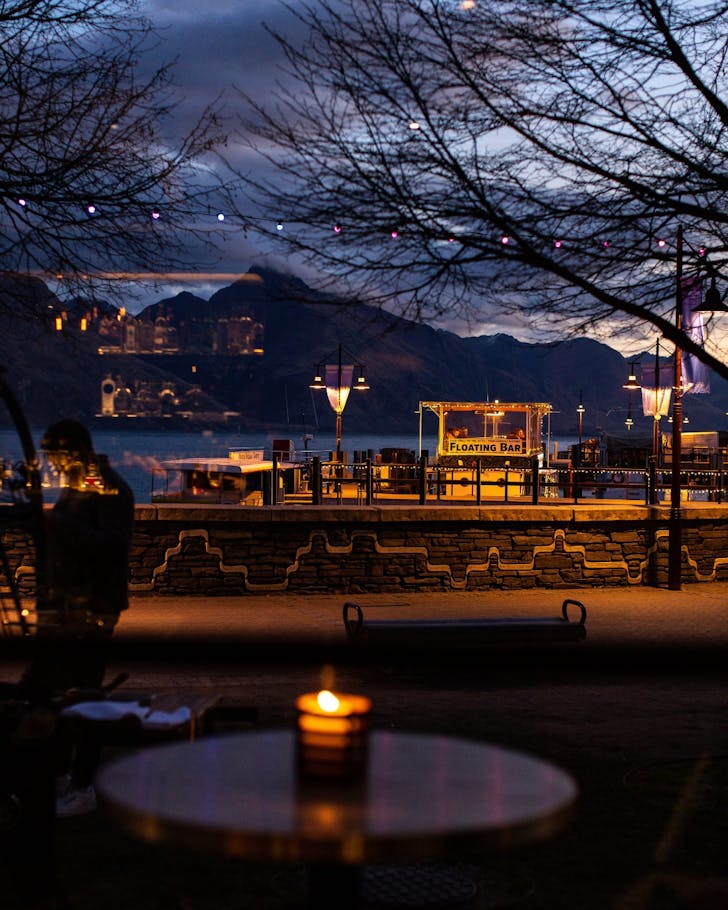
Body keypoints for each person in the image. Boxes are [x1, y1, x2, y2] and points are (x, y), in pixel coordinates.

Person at [20, 418, 135, 816]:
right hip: (69, 608)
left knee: (83, 695)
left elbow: (113, 545)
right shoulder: (81, 486)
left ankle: (82, 783)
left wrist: (58, 526)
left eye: (53, 456)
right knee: (57, 693)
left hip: (93, 608)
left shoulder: (110, 489)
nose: (51, 465)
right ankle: (57, 775)